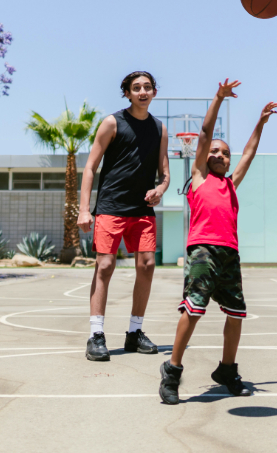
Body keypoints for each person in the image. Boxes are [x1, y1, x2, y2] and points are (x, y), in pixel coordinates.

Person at [159, 79, 277, 404]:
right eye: (215, 151)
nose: (220, 155)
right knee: (194, 309)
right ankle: (172, 369)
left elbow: (250, 153)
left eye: (225, 153)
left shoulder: (232, 184)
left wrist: (260, 123)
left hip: (230, 254)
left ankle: (227, 369)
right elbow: (203, 135)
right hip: (202, 250)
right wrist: (218, 98)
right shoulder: (198, 177)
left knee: (236, 312)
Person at [78, 71, 170, 361]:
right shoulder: (112, 123)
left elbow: (165, 174)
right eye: (136, 88)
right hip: (111, 205)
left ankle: (135, 332)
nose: (142, 91)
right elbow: (91, 167)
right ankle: (96, 335)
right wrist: (84, 209)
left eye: (147, 87)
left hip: (142, 209)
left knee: (147, 265)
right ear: (127, 94)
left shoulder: (159, 129)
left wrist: (161, 189)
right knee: (104, 265)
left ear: (154, 92)